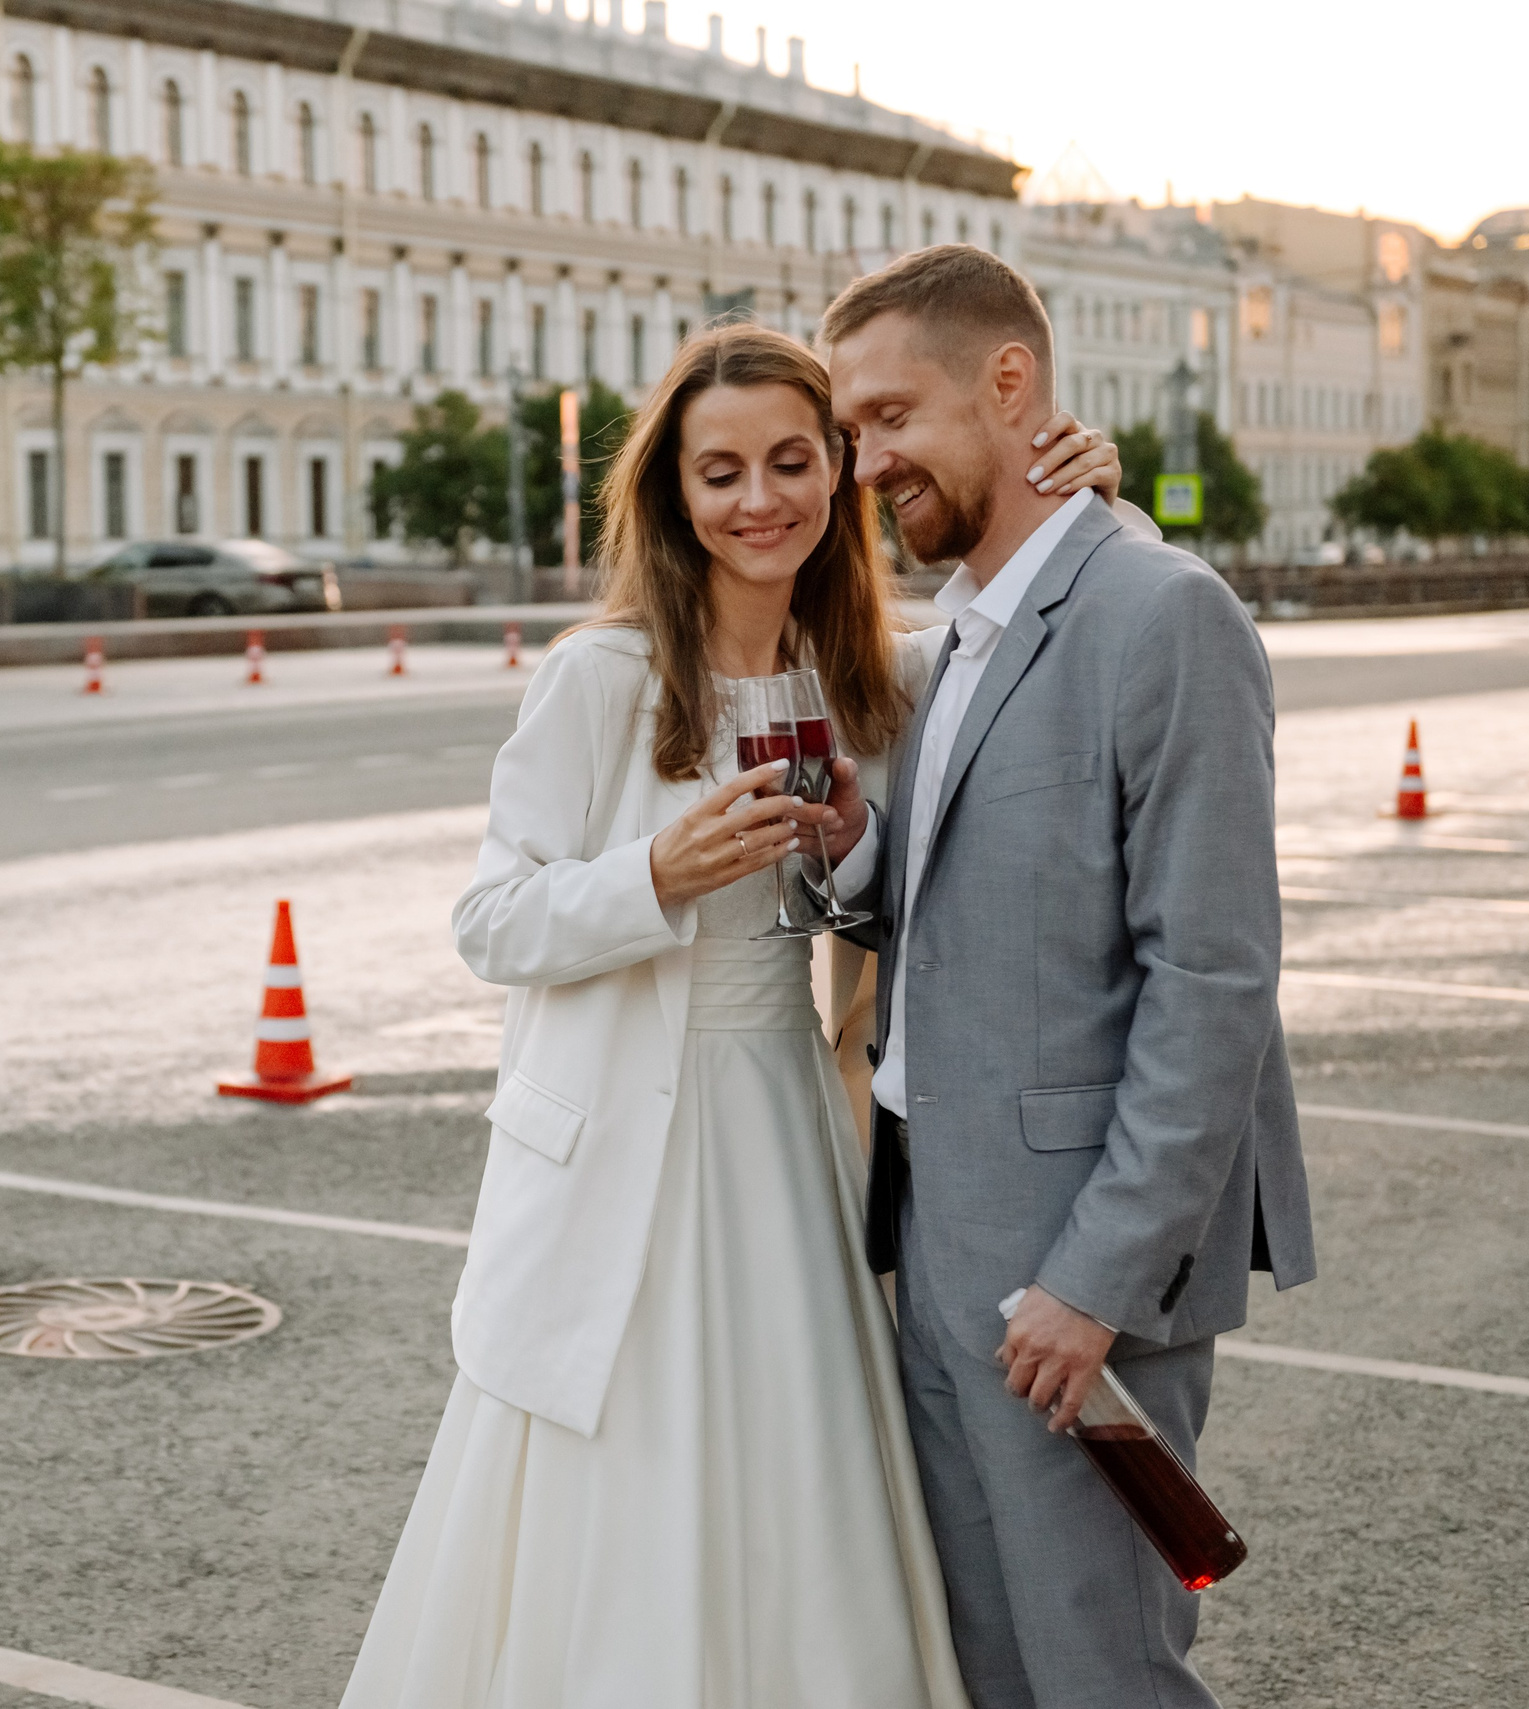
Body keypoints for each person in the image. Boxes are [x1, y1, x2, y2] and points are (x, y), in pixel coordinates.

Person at [339, 322, 1123, 1709]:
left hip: (783, 1132)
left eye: (789, 460)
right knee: (618, 1490)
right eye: (719, 472)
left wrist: (1082, 500)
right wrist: (652, 875)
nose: (758, 499)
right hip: (613, 1168)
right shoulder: (602, 676)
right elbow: (489, 923)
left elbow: (1040, 648)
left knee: (798, 1475)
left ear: (840, 472)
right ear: (674, 495)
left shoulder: (878, 679)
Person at [815, 244, 1317, 1709]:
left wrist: (1094, 1278)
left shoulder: (1164, 614)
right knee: (993, 1670)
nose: (865, 463)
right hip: (931, 1238)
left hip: (1065, 1277)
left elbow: (1214, 979)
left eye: (892, 417)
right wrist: (856, 855)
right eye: (853, 431)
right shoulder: (947, 639)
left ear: (1012, 385)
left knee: (1104, 1673)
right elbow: (958, 913)